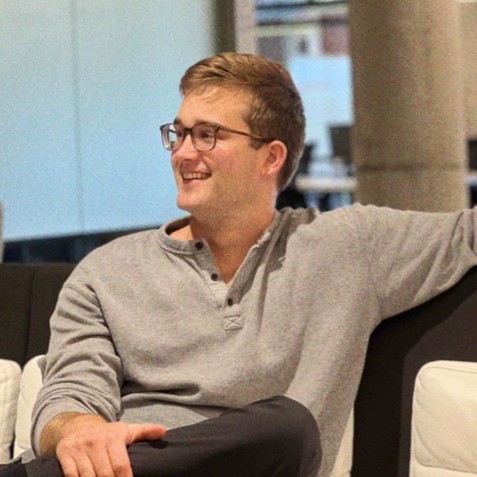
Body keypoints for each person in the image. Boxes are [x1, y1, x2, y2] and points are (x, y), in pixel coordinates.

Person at [2, 52, 477, 477]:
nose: (183, 153)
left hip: (272, 457)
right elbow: (69, 393)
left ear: (270, 157)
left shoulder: (350, 247)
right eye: (179, 133)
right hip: (125, 471)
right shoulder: (105, 273)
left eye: (207, 135)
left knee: (288, 429)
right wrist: (80, 432)